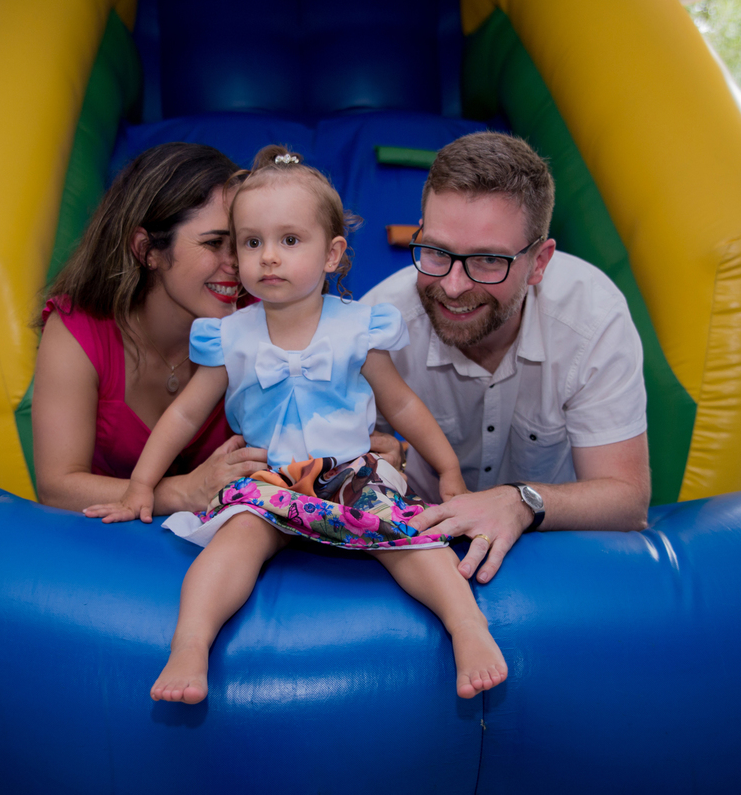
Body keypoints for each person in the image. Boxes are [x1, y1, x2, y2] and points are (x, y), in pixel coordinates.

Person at [86, 145, 509, 704]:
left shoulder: (358, 327)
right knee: (231, 545)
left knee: (414, 542)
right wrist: (141, 485)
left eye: (290, 240)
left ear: (332, 253)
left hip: (352, 474)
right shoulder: (230, 335)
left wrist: (448, 467)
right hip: (272, 480)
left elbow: (402, 406)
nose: (269, 258)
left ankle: (468, 629)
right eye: (252, 242)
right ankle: (189, 646)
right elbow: (185, 414)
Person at [363, 131, 651, 585]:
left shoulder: (593, 319)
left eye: (488, 261)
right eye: (437, 251)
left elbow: (628, 500)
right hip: (422, 545)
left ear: (539, 261)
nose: (454, 286)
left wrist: (520, 502)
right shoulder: (380, 326)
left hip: (550, 544)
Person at [32, 142, 269, 514]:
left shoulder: (262, 316)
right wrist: (182, 492)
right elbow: (57, 487)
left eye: (243, 242)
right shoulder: (80, 332)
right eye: (215, 243)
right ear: (147, 250)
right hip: (109, 549)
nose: (237, 263)